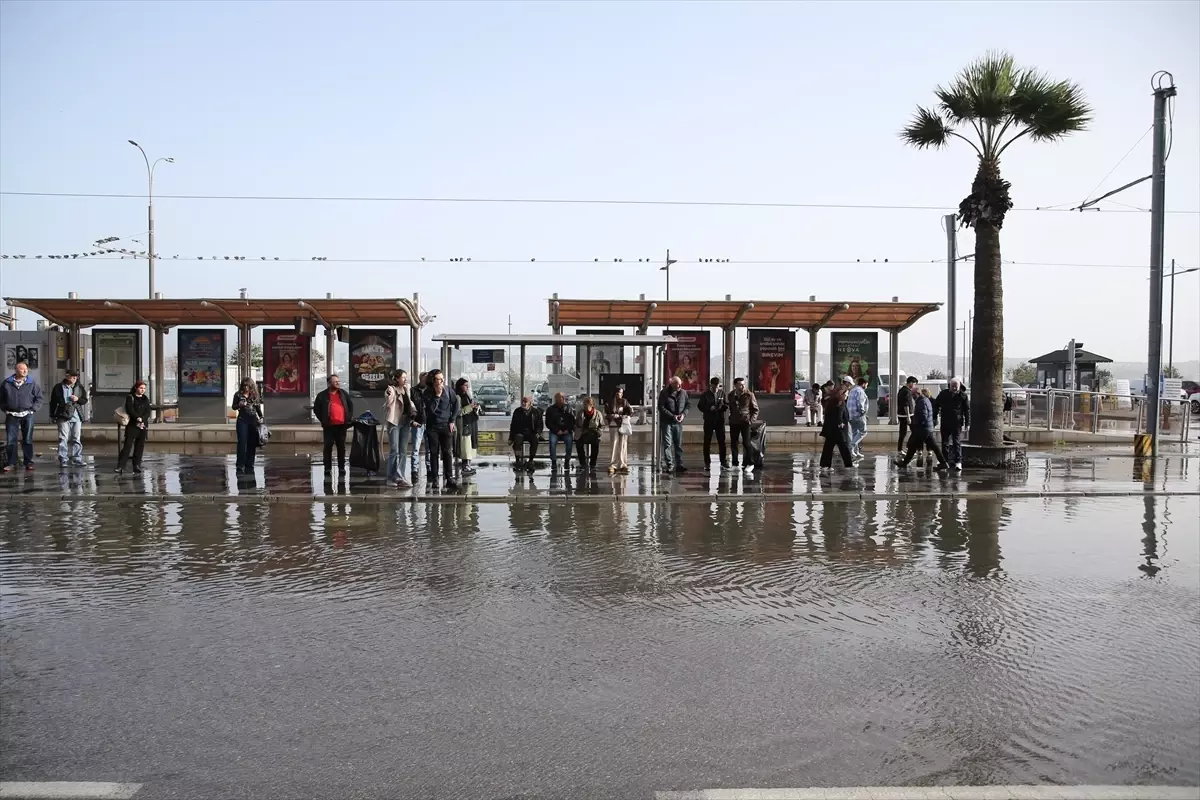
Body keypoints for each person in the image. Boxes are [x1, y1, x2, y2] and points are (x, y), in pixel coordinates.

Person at [2, 360, 44, 473]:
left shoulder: (32, 383)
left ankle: (28, 462)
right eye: (22, 369)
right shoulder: (7, 383)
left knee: (27, 439)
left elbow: (39, 398)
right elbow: (1, 399)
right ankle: (12, 463)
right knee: (11, 440)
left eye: (26, 369)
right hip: (12, 415)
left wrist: (33, 410)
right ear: (16, 370)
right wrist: (5, 409)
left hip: (27, 415)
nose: (25, 371)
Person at [421, 369, 458, 489]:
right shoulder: (427, 392)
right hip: (433, 427)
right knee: (434, 453)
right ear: (433, 380)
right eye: (438, 379)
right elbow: (430, 410)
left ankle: (449, 478)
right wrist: (437, 396)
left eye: (442, 379)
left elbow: (456, 403)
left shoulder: (448, 390)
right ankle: (435, 478)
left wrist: (452, 420)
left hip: (446, 425)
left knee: (447, 452)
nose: (441, 381)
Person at [896, 387, 948, 471]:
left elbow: (923, 416)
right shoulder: (924, 400)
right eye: (912, 395)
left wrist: (917, 424)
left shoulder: (921, 402)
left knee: (913, 446)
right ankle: (943, 463)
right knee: (933, 447)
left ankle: (904, 463)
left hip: (923, 429)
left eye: (913, 395)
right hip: (927, 428)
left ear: (918, 394)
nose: (912, 397)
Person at [313, 375, 354, 478]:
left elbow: (350, 406)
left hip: (341, 426)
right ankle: (327, 468)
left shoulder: (343, 394)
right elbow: (316, 409)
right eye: (335, 382)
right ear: (329, 383)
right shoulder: (322, 395)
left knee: (342, 448)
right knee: (328, 447)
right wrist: (324, 420)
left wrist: (348, 419)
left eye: (338, 381)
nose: (338, 383)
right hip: (329, 427)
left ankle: (341, 467)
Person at [384, 369, 419, 488]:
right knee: (394, 450)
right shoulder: (391, 390)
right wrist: (389, 394)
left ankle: (400, 477)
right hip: (394, 421)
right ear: (397, 378)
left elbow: (410, 403)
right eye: (403, 377)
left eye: (406, 377)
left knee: (403, 451)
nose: (405, 379)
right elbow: (388, 403)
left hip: (405, 421)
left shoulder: (406, 389)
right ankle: (390, 477)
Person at [50, 369, 89, 468]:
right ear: (67, 376)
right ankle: (63, 459)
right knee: (63, 438)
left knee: (76, 438)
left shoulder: (79, 387)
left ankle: (77, 458)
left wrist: (78, 399)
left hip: (76, 416)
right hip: (62, 415)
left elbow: (84, 400)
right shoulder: (58, 387)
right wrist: (53, 415)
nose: (75, 378)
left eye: (76, 377)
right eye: (72, 377)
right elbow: (53, 402)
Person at [933, 376, 970, 471]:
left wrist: (967, 423)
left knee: (956, 442)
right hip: (945, 421)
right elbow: (936, 404)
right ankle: (943, 461)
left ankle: (958, 462)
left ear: (959, 386)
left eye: (956, 386)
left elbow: (967, 410)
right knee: (944, 442)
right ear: (949, 386)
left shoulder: (963, 396)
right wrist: (935, 417)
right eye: (952, 386)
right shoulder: (944, 394)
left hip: (957, 423)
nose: (954, 388)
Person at [115, 380, 151, 475]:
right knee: (127, 445)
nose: (142, 390)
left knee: (140, 446)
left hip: (143, 425)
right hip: (132, 424)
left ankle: (137, 465)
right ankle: (121, 466)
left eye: (144, 388)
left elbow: (148, 411)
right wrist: (137, 418)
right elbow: (130, 409)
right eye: (141, 388)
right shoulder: (130, 397)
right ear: (136, 388)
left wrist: (142, 419)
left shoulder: (145, 398)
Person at [231, 377, 264, 475]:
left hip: (253, 421)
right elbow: (233, 406)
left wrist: (261, 416)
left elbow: (257, 407)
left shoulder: (254, 395)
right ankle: (240, 465)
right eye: (244, 385)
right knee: (242, 443)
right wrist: (239, 405)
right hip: (242, 420)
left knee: (251, 443)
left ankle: (250, 464)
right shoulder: (238, 394)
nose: (246, 387)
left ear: (251, 386)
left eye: (248, 385)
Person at [819, 383, 854, 472]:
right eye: (845, 394)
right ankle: (848, 465)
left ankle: (825, 465)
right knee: (843, 447)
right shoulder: (839, 402)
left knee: (829, 447)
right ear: (841, 394)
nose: (847, 396)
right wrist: (840, 423)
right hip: (837, 430)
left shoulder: (834, 401)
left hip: (832, 429)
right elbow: (838, 415)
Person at [658, 375, 689, 474]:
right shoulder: (664, 393)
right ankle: (670, 465)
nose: (679, 386)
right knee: (667, 444)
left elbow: (688, 405)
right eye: (677, 384)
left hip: (678, 422)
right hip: (667, 422)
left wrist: (683, 414)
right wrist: (672, 416)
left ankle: (679, 464)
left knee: (678, 444)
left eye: (680, 384)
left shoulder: (683, 393)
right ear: (672, 384)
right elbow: (661, 407)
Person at [698, 376, 729, 470]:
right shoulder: (705, 395)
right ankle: (707, 462)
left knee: (722, 442)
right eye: (714, 387)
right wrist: (709, 408)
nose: (716, 389)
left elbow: (726, 404)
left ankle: (723, 461)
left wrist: (722, 407)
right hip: (709, 420)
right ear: (711, 385)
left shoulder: (722, 393)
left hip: (719, 420)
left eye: (718, 386)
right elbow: (700, 406)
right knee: (707, 442)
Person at [727, 377, 758, 469]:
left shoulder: (749, 395)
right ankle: (735, 464)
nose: (743, 386)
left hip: (745, 422)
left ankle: (750, 463)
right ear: (735, 385)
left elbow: (755, 409)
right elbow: (731, 408)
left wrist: (750, 420)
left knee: (747, 443)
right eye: (740, 384)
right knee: (734, 443)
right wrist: (730, 418)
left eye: (744, 384)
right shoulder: (731, 395)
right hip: (734, 422)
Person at [545, 392, 576, 473]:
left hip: (566, 431)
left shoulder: (569, 408)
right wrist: (556, 430)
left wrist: (568, 430)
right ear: (556, 399)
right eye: (559, 398)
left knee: (569, 441)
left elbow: (572, 421)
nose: (561, 400)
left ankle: (567, 461)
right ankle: (554, 462)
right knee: (552, 442)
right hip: (555, 432)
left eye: (562, 398)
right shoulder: (550, 409)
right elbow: (548, 423)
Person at [455, 377, 479, 477]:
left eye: (467, 385)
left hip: (471, 423)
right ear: (460, 386)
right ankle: (465, 466)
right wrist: (470, 407)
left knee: (470, 446)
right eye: (465, 385)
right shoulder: (458, 397)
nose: (467, 387)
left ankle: (468, 465)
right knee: (465, 447)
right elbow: (459, 412)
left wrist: (475, 408)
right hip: (464, 425)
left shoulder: (467, 395)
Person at [605, 386, 633, 473]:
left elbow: (630, 412)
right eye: (617, 393)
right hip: (614, 425)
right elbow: (606, 414)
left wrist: (628, 413)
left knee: (623, 444)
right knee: (614, 444)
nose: (619, 394)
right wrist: (612, 416)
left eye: (620, 393)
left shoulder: (625, 401)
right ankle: (613, 464)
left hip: (623, 424)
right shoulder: (609, 402)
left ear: (622, 393)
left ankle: (623, 464)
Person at [509, 395, 541, 472]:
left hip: (531, 432)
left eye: (525, 401)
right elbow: (513, 425)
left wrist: (538, 433)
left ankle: (531, 461)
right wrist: (510, 438)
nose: (523, 403)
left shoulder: (536, 412)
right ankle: (518, 460)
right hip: (520, 432)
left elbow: (540, 425)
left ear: (530, 403)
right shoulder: (517, 411)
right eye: (522, 401)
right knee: (518, 440)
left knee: (534, 440)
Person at [574, 395, 604, 473]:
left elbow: (602, 426)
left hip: (594, 433)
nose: (585, 405)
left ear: (591, 405)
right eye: (584, 403)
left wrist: (599, 433)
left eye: (587, 404)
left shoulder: (597, 413)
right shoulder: (580, 413)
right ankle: (583, 463)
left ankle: (592, 464)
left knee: (596, 443)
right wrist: (578, 431)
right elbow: (576, 424)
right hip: (583, 433)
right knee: (578, 443)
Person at [846, 375, 869, 460]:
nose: (866, 386)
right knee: (863, 431)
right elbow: (860, 403)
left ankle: (855, 452)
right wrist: (863, 413)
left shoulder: (852, 390)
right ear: (863, 384)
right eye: (866, 384)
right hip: (858, 415)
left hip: (851, 415)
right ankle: (852, 446)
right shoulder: (860, 391)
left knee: (855, 432)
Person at [410, 372, 428, 481]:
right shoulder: (413, 391)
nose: (425, 381)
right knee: (416, 448)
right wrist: (412, 420)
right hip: (418, 422)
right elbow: (409, 407)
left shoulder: (430, 391)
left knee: (429, 448)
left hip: (429, 422)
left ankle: (430, 469)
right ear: (420, 379)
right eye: (424, 379)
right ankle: (414, 471)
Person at [895, 376, 919, 456]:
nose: (914, 386)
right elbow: (906, 405)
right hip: (907, 415)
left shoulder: (901, 390)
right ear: (911, 383)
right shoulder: (907, 392)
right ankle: (909, 448)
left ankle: (900, 449)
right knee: (915, 432)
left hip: (901, 415)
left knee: (902, 433)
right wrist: (908, 416)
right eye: (914, 384)